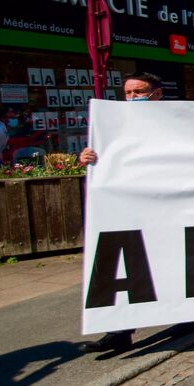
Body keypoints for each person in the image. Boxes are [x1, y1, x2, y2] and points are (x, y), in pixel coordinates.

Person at [76, 72, 165, 354]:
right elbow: (105, 156)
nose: (132, 98)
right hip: (128, 206)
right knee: (124, 266)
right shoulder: (111, 124)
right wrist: (88, 157)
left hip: (167, 206)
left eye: (140, 92)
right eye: (128, 93)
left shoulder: (179, 120)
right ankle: (119, 331)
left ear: (157, 93)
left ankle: (191, 315)